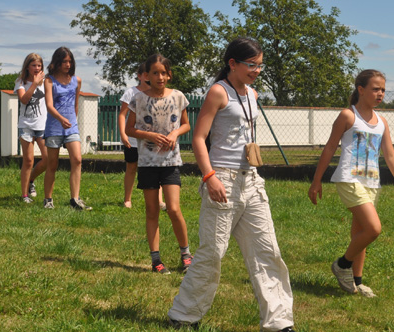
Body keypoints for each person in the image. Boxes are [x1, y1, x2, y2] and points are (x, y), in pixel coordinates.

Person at [167, 37, 295, 332]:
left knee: (268, 252)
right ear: (232, 64)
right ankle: (183, 315)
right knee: (212, 253)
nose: (257, 70)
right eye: (251, 65)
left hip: (252, 181)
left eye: (260, 65)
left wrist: (252, 93)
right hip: (222, 179)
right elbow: (198, 138)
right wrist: (209, 177)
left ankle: (279, 323)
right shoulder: (217, 92)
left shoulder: (251, 93)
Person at [308, 69, 394, 298]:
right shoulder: (348, 116)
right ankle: (342, 265)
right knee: (374, 229)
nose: (380, 93)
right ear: (361, 90)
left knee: (361, 232)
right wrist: (316, 181)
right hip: (349, 179)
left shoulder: (382, 122)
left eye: (383, 89)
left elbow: (390, 154)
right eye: (375, 89)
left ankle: (356, 282)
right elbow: (330, 148)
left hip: (371, 182)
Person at [125, 53, 192, 275]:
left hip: (171, 161)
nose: (159, 77)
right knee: (152, 211)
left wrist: (174, 134)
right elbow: (129, 129)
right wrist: (150, 136)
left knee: (173, 208)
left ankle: (186, 255)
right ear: (147, 76)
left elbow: (186, 125)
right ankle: (156, 261)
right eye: (155, 73)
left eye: (163, 73)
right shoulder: (138, 99)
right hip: (147, 163)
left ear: (169, 75)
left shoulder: (179, 97)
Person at [43, 46, 91, 210]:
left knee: (77, 160)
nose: (68, 64)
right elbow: (49, 105)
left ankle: (75, 199)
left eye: (70, 61)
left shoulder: (76, 80)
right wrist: (61, 119)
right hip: (54, 128)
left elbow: (76, 104)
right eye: (64, 61)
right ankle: (48, 200)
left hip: (71, 127)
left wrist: (72, 120)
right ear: (56, 62)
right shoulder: (49, 81)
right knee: (52, 165)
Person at [118, 62, 166, 210]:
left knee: (155, 167)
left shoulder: (158, 93)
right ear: (140, 76)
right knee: (131, 167)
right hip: (133, 138)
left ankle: (159, 200)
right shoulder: (131, 93)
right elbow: (122, 114)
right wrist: (123, 134)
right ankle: (127, 199)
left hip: (152, 140)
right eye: (145, 74)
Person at [14, 53, 48, 203]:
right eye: (33, 65)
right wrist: (34, 84)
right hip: (26, 126)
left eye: (39, 65)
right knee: (28, 161)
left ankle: (31, 180)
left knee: (49, 160)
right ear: (27, 66)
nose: (36, 68)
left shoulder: (46, 82)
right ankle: (24, 195)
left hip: (42, 126)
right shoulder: (20, 82)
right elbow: (24, 99)